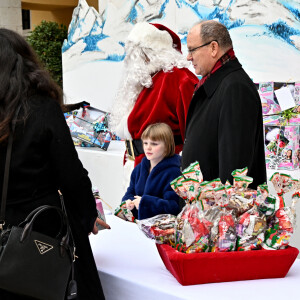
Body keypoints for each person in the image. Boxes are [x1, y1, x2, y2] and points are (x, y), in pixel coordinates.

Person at [0, 28, 109, 300]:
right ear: (23, 63)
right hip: (41, 233)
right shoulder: (39, 108)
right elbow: (71, 176)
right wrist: (87, 217)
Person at [182, 20, 267, 189]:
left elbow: (235, 169)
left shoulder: (235, 88)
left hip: (217, 211)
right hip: (202, 209)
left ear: (213, 47)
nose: (188, 57)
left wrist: (220, 213)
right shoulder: (218, 83)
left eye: (192, 49)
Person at [109, 22, 198, 172]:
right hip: (136, 167)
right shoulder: (140, 80)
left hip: (163, 172)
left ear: (154, 52)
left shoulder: (179, 79)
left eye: (139, 53)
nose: (132, 59)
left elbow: (194, 136)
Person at [122, 123, 182, 220]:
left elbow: (174, 207)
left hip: (160, 230)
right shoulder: (139, 169)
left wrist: (145, 203)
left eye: (154, 144)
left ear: (167, 146)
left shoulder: (173, 172)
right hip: (138, 225)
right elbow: (130, 192)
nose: (148, 147)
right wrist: (128, 202)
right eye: (145, 143)